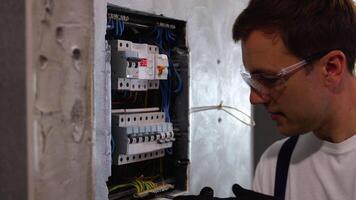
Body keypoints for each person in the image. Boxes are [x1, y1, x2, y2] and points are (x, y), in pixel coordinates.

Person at [231, 0, 356, 200]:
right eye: (252, 81)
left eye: (269, 79)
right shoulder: (277, 164)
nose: (254, 98)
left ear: (331, 68)